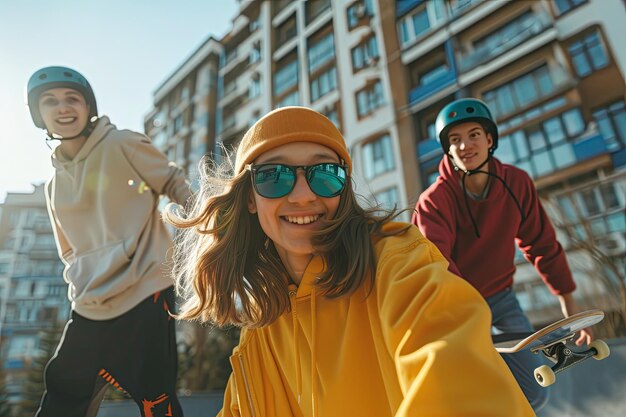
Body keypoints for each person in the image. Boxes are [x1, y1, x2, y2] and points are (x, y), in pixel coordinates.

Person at [165, 106, 536, 417]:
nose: (302, 195)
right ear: (249, 198)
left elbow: (453, 365)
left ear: (344, 189)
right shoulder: (260, 336)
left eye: (325, 174)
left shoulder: (397, 260)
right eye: (273, 176)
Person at [26, 66, 188, 417]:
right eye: (49, 101)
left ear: (89, 107)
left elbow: (174, 182)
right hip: (89, 307)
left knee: (155, 399)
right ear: (39, 115)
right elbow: (69, 251)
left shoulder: (122, 143)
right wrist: (82, 283)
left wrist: (208, 232)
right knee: (61, 399)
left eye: (73, 99)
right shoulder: (55, 185)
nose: (63, 108)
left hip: (145, 291)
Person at [412, 98, 593, 411]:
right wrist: (467, 321)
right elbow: (438, 265)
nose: (465, 145)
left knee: (535, 392)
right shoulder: (434, 201)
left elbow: (542, 244)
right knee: (461, 390)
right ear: (447, 150)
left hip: (501, 298)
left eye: (474, 135)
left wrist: (570, 311)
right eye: (455, 140)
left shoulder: (516, 182)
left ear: (490, 139)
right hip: (454, 307)